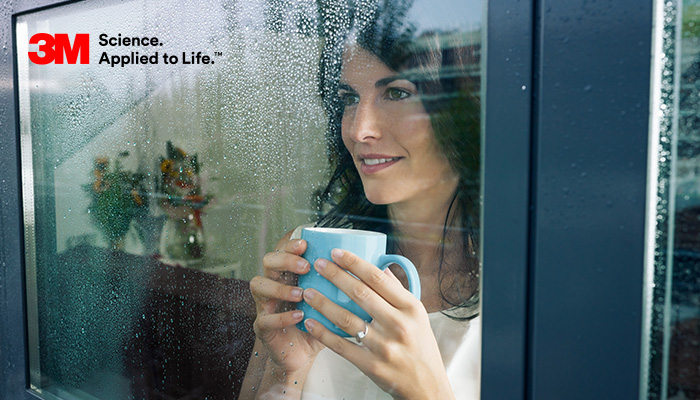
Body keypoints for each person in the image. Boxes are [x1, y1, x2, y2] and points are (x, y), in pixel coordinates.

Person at [241, 3, 481, 399]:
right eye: (348, 97)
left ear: (459, 113)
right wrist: (291, 372)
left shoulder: (519, 296)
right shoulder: (308, 261)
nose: (359, 129)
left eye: (398, 93)